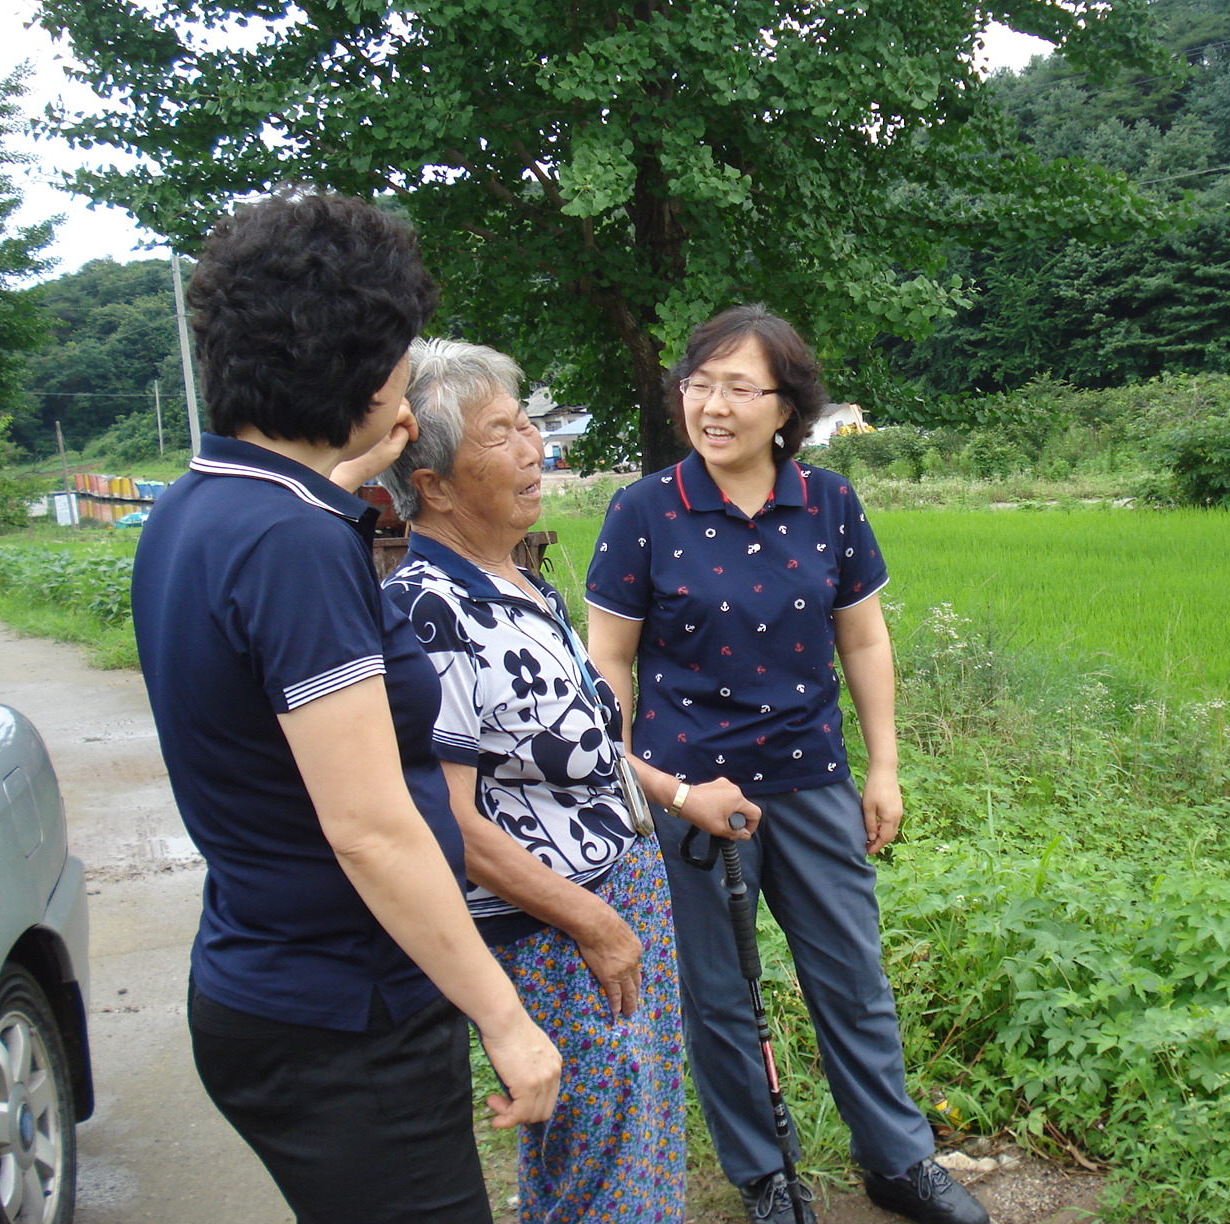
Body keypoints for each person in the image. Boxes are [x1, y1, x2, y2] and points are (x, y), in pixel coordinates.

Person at [129, 192, 560, 1224]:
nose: (409, 377)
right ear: (359, 371)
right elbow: (369, 828)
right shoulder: (294, 549)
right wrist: (503, 1017)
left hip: (262, 974)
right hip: (347, 1014)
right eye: (400, 354)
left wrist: (352, 462)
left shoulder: (200, 505)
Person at [584, 305, 988, 1224]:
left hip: (811, 781)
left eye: (739, 388)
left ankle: (897, 1160)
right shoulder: (644, 510)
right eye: (699, 384)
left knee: (852, 978)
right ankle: (765, 1175)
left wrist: (883, 769)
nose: (713, 406)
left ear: (786, 407)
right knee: (721, 995)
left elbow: (865, 640)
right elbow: (609, 658)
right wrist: (635, 783)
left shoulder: (829, 502)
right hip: (691, 796)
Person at [378, 338, 686, 1224]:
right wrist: (593, 921)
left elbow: (577, 748)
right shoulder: (432, 610)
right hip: (555, 929)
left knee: (639, 1129)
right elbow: (445, 817)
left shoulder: (520, 582)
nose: (533, 449)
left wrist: (674, 797)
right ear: (434, 484)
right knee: (599, 1156)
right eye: (500, 435)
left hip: (619, 893)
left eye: (528, 426)